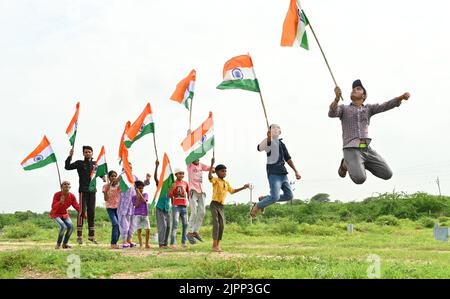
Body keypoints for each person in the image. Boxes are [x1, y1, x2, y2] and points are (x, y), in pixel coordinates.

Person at [328, 79, 410, 184]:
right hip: (350, 149)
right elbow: (332, 113)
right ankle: (345, 164)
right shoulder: (344, 108)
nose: (354, 90)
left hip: (365, 147)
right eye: (353, 89)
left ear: (364, 96)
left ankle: (358, 164)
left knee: (387, 174)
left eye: (358, 89)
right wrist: (336, 99)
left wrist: (401, 97)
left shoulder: (368, 109)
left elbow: (385, 105)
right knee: (360, 179)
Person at [250, 124, 301, 218]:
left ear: (280, 132)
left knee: (289, 195)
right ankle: (257, 206)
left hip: (283, 173)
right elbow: (259, 148)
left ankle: (264, 199)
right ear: (269, 131)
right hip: (273, 173)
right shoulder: (268, 142)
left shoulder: (282, 144)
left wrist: (296, 171)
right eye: (272, 127)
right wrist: (268, 138)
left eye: (277, 128)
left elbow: (288, 158)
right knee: (275, 197)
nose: (274, 129)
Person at [65, 145, 104, 244]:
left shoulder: (96, 164)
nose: (87, 153)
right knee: (82, 212)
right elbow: (67, 167)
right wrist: (70, 156)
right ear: (83, 153)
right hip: (83, 190)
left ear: (92, 153)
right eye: (85, 152)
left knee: (92, 212)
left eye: (89, 152)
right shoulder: (79, 163)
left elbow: (101, 174)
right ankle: (79, 236)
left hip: (92, 191)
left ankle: (91, 236)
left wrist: (103, 177)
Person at [208, 158, 249, 252]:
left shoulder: (226, 183)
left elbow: (233, 191)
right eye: (222, 171)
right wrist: (211, 165)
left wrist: (244, 187)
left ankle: (218, 245)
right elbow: (210, 177)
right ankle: (214, 245)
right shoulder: (215, 180)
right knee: (216, 224)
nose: (224, 173)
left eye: (225, 171)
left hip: (221, 206)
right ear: (217, 172)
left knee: (222, 225)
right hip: (214, 204)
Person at [117, 162, 150, 249]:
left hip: (133, 204)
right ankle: (124, 241)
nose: (129, 169)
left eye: (130, 168)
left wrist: (146, 181)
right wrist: (121, 176)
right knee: (124, 223)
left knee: (132, 223)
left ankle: (129, 240)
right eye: (127, 168)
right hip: (124, 204)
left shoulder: (134, 177)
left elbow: (140, 186)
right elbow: (115, 183)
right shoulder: (122, 177)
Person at [186, 159, 214, 245]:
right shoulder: (190, 165)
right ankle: (189, 232)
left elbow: (211, 169)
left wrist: (212, 164)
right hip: (193, 190)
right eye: (195, 157)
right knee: (194, 212)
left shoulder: (201, 165)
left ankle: (195, 231)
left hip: (201, 191)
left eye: (198, 158)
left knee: (202, 212)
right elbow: (188, 159)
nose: (197, 159)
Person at [49, 181, 80, 249]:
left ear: (70, 187)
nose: (66, 185)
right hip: (56, 213)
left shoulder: (72, 196)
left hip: (64, 214)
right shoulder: (57, 194)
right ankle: (58, 244)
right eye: (64, 184)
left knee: (71, 227)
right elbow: (53, 206)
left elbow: (76, 205)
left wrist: (82, 212)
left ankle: (65, 244)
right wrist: (60, 202)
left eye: (68, 184)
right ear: (61, 187)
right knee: (63, 227)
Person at [168, 168, 190, 249]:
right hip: (176, 206)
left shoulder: (186, 183)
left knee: (185, 224)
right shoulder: (174, 184)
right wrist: (172, 188)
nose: (181, 175)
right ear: (176, 175)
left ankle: (183, 242)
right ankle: (172, 243)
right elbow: (169, 195)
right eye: (179, 173)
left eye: (183, 173)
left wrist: (190, 202)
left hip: (184, 206)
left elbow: (188, 193)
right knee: (175, 223)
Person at [154, 160, 171, 249]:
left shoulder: (170, 185)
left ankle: (165, 243)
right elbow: (155, 178)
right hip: (159, 207)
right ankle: (161, 244)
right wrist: (156, 166)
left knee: (168, 226)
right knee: (162, 226)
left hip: (167, 208)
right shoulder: (160, 184)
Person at [102, 170, 121, 249]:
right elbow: (106, 199)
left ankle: (115, 242)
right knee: (115, 224)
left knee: (119, 225)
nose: (113, 177)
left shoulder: (118, 186)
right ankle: (113, 243)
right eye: (112, 176)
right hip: (110, 208)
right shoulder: (105, 186)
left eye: (115, 176)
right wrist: (108, 188)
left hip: (118, 208)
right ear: (109, 177)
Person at [132, 180, 151, 249]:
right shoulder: (133, 197)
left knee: (148, 229)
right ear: (136, 189)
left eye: (142, 188)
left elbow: (144, 201)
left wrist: (139, 194)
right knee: (139, 230)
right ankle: (141, 244)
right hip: (137, 215)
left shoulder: (145, 194)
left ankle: (146, 244)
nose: (141, 189)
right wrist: (137, 196)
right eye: (139, 188)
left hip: (145, 215)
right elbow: (136, 205)